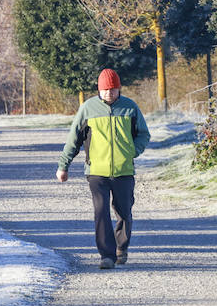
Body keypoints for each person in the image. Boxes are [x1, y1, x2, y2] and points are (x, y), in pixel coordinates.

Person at [55, 68, 150, 269]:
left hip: (124, 170)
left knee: (124, 211)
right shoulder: (88, 108)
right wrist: (64, 166)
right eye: (105, 89)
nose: (109, 93)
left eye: (113, 89)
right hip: (96, 171)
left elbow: (143, 134)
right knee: (101, 211)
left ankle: (121, 249)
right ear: (99, 90)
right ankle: (106, 256)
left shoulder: (130, 107)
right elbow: (74, 139)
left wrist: (132, 151)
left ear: (119, 89)